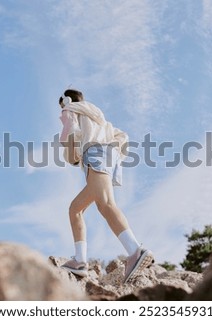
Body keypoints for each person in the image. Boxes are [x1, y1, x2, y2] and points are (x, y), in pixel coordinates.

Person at [58, 88, 154, 283]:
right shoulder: (97, 116)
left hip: (94, 155)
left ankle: (135, 250)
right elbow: (122, 136)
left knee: (106, 204)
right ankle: (80, 261)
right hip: (106, 157)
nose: (61, 111)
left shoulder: (71, 110)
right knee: (75, 209)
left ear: (66, 100)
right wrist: (113, 155)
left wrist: (65, 125)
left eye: (62, 106)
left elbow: (67, 139)